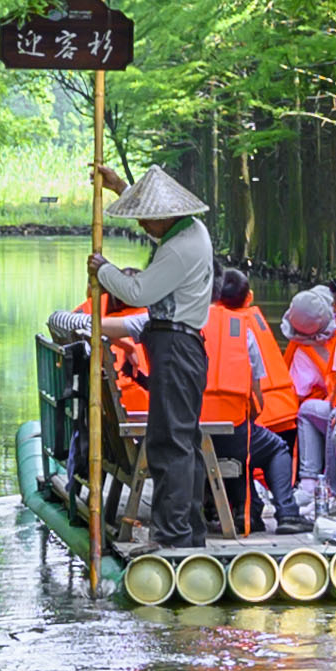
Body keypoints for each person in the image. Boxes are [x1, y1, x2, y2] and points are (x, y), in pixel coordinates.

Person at [100, 161, 219, 544]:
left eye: (147, 219)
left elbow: (137, 294)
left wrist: (104, 269)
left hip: (176, 347)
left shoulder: (181, 248)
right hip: (177, 344)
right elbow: (154, 230)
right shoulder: (187, 232)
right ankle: (189, 530)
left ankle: (173, 535)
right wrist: (121, 188)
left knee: (169, 442)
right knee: (182, 439)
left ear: (167, 216)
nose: (142, 226)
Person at [200, 269, 290, 532]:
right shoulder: (242, 332)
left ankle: (245, 509)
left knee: (244, 440)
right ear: (247, 297)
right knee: (273, 447)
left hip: (186, 436)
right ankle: (288, 513)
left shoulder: (184, 325)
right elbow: (257, 401)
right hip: (231, 434)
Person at [277, 285, 336, 523]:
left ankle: (323, 485)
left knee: (327, 413)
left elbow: (299, 390)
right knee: (319, 411)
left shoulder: (333, 341)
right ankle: (314, 482)